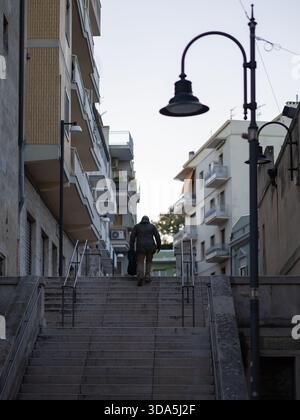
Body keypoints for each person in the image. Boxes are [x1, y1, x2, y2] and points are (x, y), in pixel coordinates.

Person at [130, 216, 161, 287]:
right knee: (149, 261)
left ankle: (140, 276)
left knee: (140, 262)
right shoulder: (152, 226)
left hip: (140, 247)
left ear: (142, 220)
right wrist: (159, 246)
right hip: (151, 247)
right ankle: (147, 276)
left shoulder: (137, 227)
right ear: (148, 220)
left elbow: (132, 238)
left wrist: (131, 248)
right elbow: (157, 236)